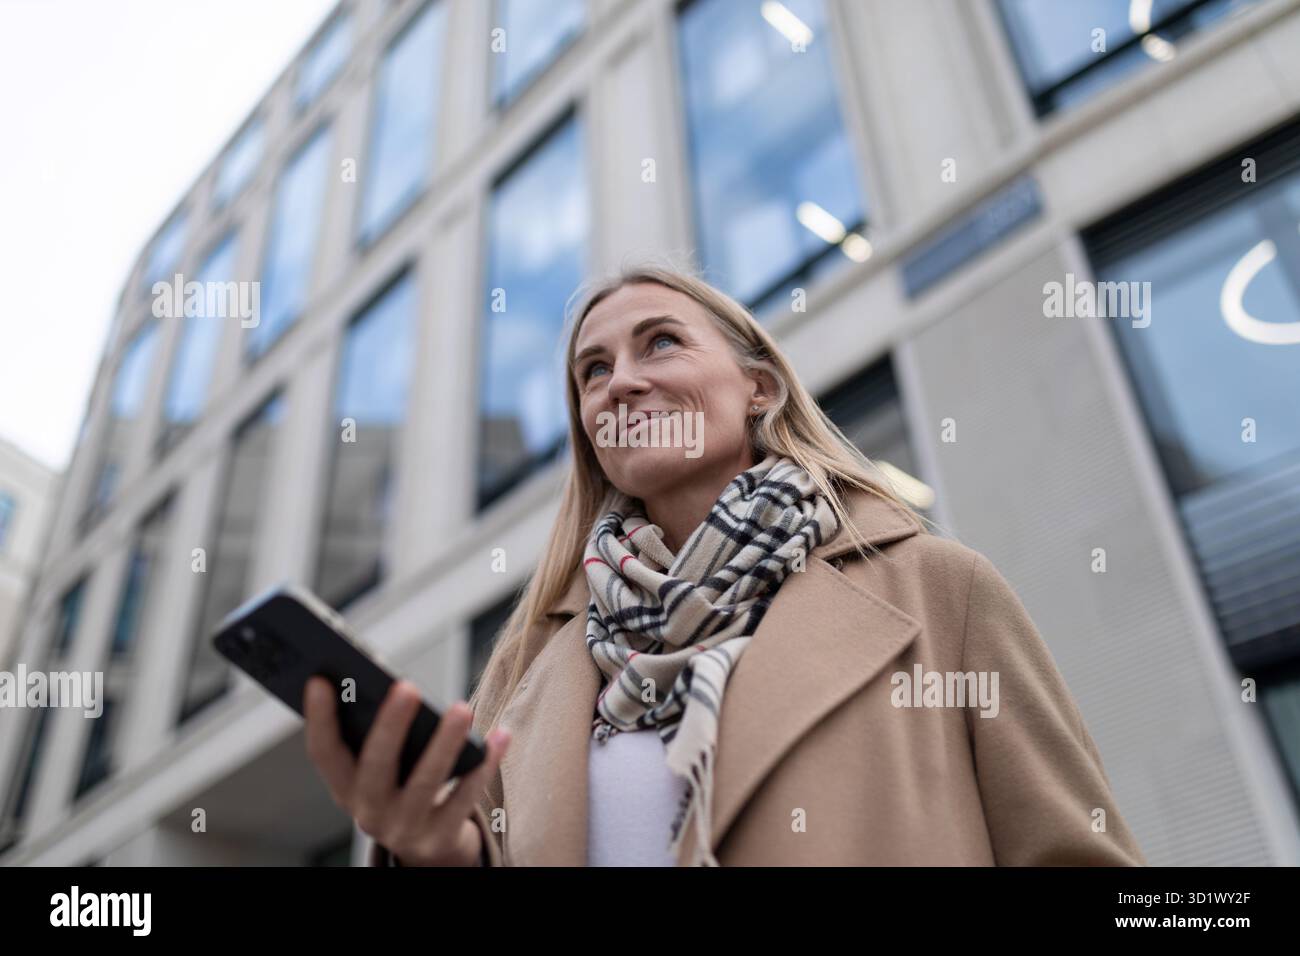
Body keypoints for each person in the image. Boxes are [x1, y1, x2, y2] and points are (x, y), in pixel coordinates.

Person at [304, 264, 1147, 867]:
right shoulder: (526, 666)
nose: (618, 385)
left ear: (759, 389)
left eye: (659, 344)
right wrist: (435, 854)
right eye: (592, 371)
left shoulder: (940, 589)